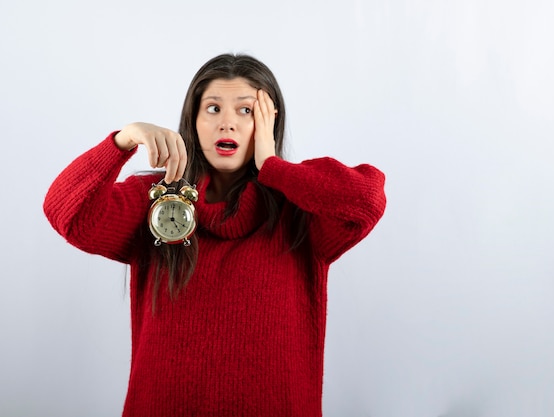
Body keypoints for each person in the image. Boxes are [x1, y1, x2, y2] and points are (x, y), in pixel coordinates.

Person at [43, 53, 386, 417]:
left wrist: (274, 167)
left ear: (270, 123)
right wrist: (122, 140)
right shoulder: (154, 201)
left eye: (246, 111)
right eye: (212, 108)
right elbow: (67, 213)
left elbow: (367, 200)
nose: (228, 124)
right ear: (192, 120)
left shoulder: (302, 209)